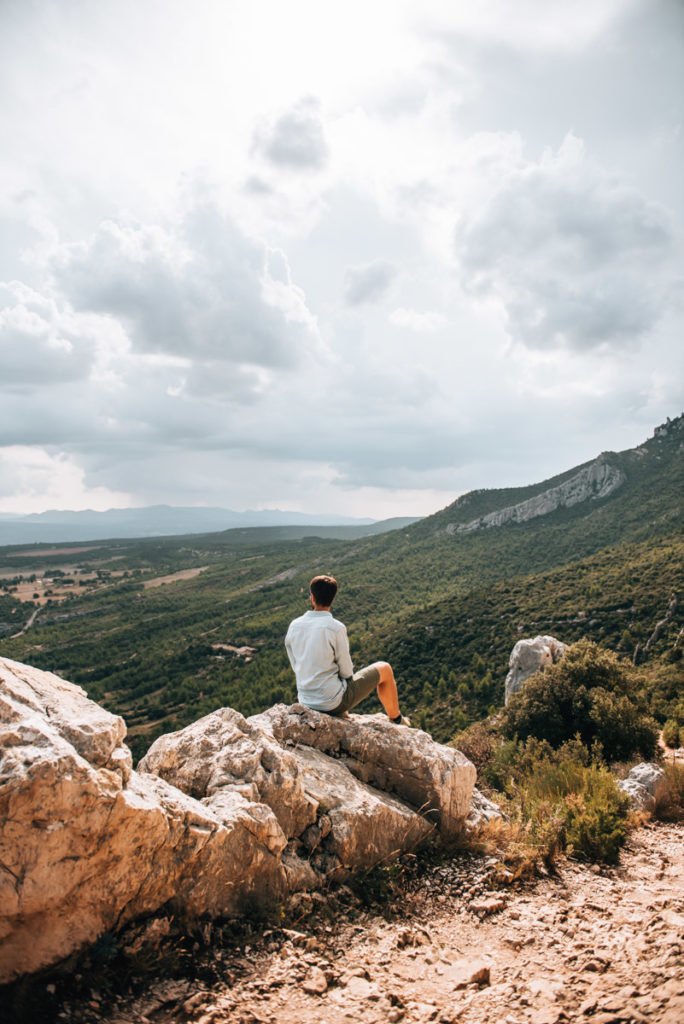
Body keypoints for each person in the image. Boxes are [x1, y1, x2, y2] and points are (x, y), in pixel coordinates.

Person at [285, 574, 410, 724]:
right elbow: (346, 671)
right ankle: (397, 719)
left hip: (305, 701)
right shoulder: (335, 628)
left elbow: (295, 664)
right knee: (385, 669)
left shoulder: (294, 625)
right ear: (332, 598)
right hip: (332, 703)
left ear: (312, 597)